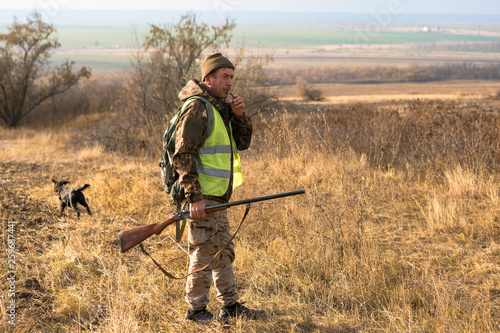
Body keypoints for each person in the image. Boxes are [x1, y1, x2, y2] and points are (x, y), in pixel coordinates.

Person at [172, 53, 264, 324]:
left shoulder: (220, 107)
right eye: (224, 76)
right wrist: (194, 198)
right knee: (202, 251)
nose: (230, 82)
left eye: (232, 77)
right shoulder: (197, 108)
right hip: (203, 197)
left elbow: (243, 143)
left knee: (222, 248)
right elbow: (183, 155)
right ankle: (196, 311)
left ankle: (231, 306)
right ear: (208, 78)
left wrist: (239, 116)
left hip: (219, 196)